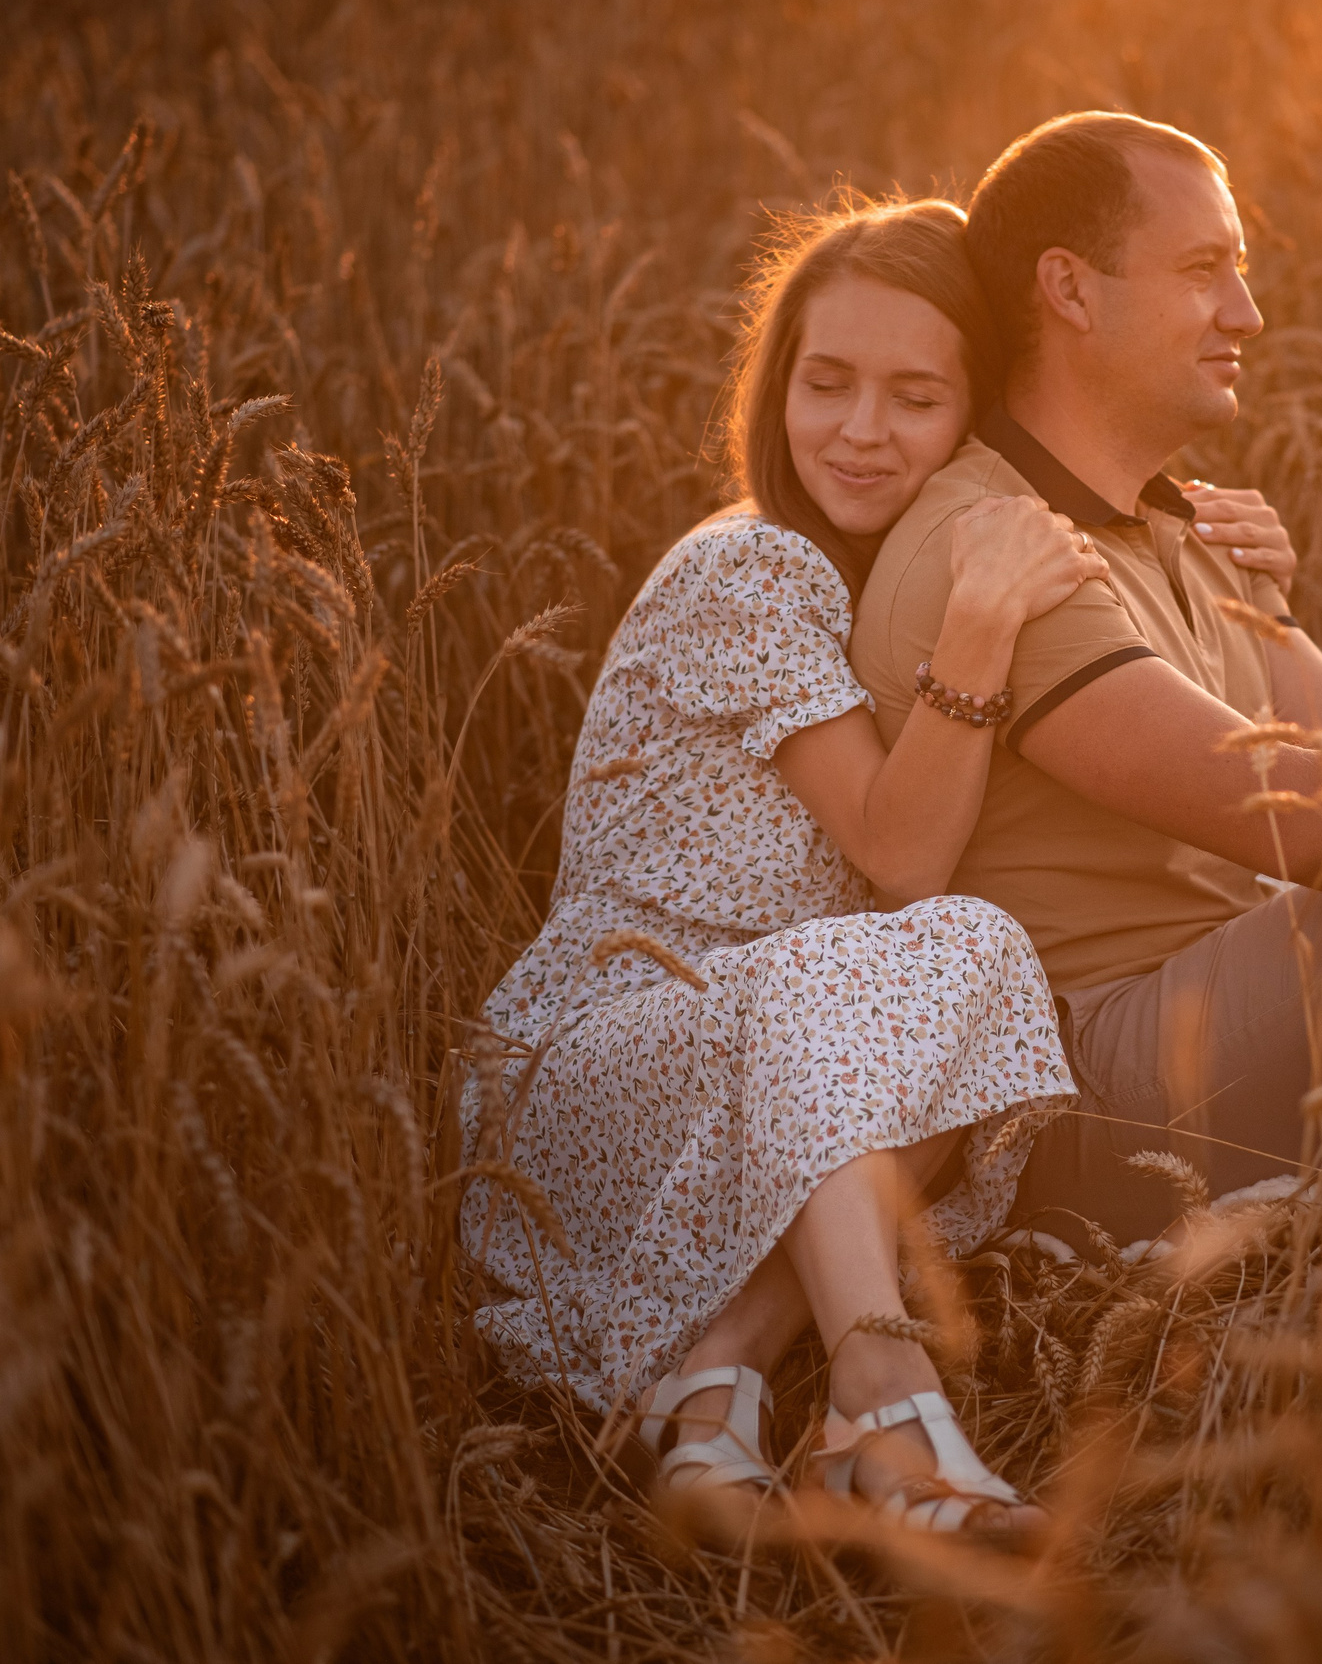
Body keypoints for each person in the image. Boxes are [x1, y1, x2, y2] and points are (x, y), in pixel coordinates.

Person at [460, 199, 1121, 1540]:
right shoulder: (752, 568)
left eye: (915, 396)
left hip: (775, 1069)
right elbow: (899, 852)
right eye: (827, 382)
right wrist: (986, 619)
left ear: (971, 415)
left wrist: (1231, 571)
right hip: (601, 1072)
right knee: (917, 949)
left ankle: (713, 1386)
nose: (861, 430)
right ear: (777, 387)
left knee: (976, 969)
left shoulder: (868, 581)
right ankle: (883, 1391)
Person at [852, 114, 1322, 1245]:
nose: (1245, 315)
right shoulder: (999, 548)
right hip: (1092, 1094)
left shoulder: (1181, 518)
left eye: (1242, 272)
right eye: (1203, 270)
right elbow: (1321, 828)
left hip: (1222, 1011)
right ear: (1069, 290)